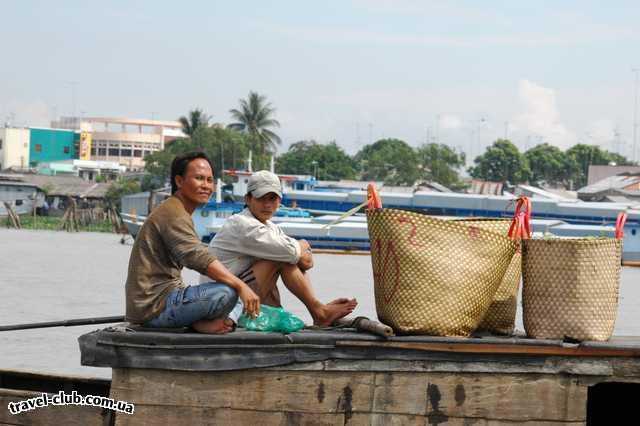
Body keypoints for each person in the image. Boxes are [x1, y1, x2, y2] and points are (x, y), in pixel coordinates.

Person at [125, 152, 259, 334]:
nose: (206, 186)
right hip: (153, 307)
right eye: (199, 179)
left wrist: (240, 285)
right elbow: (196, 257)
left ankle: (200, 322)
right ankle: (201, 322)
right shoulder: (173, 213)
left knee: (236, 290)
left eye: (210, 180)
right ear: (179, 181)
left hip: (166, 299)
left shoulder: (178, 210)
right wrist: (240, 286)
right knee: (227, 293)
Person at [204, 170, 357, 326]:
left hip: (238, 296)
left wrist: (297, 252)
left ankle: (317, 309)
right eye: (261, 198)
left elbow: (307, 262)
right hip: (221, 302)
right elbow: (293, 253)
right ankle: (319, 312)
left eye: (272, 198)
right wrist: (304, 243)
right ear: (248, 199)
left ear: (280, 200)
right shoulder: (244, 225)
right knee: (281, 259)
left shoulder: (270, 227)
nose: (268, 205)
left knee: (284, 257)